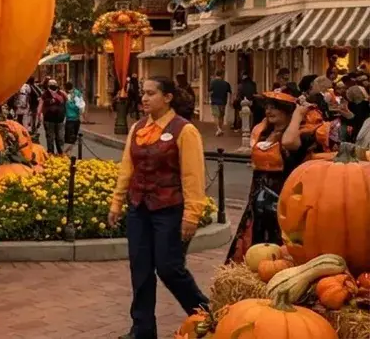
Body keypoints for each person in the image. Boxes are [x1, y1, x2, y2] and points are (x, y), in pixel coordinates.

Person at [108, 76, 209, 339]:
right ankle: (142, 329)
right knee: (140, 269)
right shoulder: (138, 127)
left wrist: (192, 215)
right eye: (143, 93)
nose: (144, 98)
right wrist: (117, 202)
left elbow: (193, 176)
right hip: (139, 208)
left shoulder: (184, 130)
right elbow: (127, 167)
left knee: (169, 268)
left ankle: (207, 315)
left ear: (167, 98)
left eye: (151, 93)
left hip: (168, 208)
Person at [225, 90, 309, 264]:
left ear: (287, 111)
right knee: (254, 238)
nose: (268, 111)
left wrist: (298, 115)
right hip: (258, 196)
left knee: (276, 246)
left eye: (274, 108)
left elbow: (289, 143)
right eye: (267, 107)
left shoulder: (297, 133)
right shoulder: (264, 132)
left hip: (281, 198)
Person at [41, 80, 68, 154]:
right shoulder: (45, 94)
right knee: (50, 137)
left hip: (60, 119)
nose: (53, 86)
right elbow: (42, 104)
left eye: (54, 84)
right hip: (49, 119)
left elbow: (66, 102)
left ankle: (61, 152)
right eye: (51, 84)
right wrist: (40, 115)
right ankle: (51, 152)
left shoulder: (61, 93)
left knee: (60, 137)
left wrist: (65, 115)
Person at [208, 71, 232, 136]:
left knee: (216, 115)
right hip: (223, 102)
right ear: (222, 75)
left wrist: (210, 99)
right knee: (221, 116)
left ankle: (218, 129)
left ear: (216, 75)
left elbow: (209, 91)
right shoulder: (226, 83)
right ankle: (220, 129)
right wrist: (230, 101)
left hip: (214, 102)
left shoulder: (213, 82)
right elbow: (230, 93)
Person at [65, 81, 86, 146]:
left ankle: (69, 150)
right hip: (76, 118)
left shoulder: (67, 94)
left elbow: (77, 105)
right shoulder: (78, 93)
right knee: (73, 138)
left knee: (69, 139)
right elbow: (81, 106)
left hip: (69, 119)